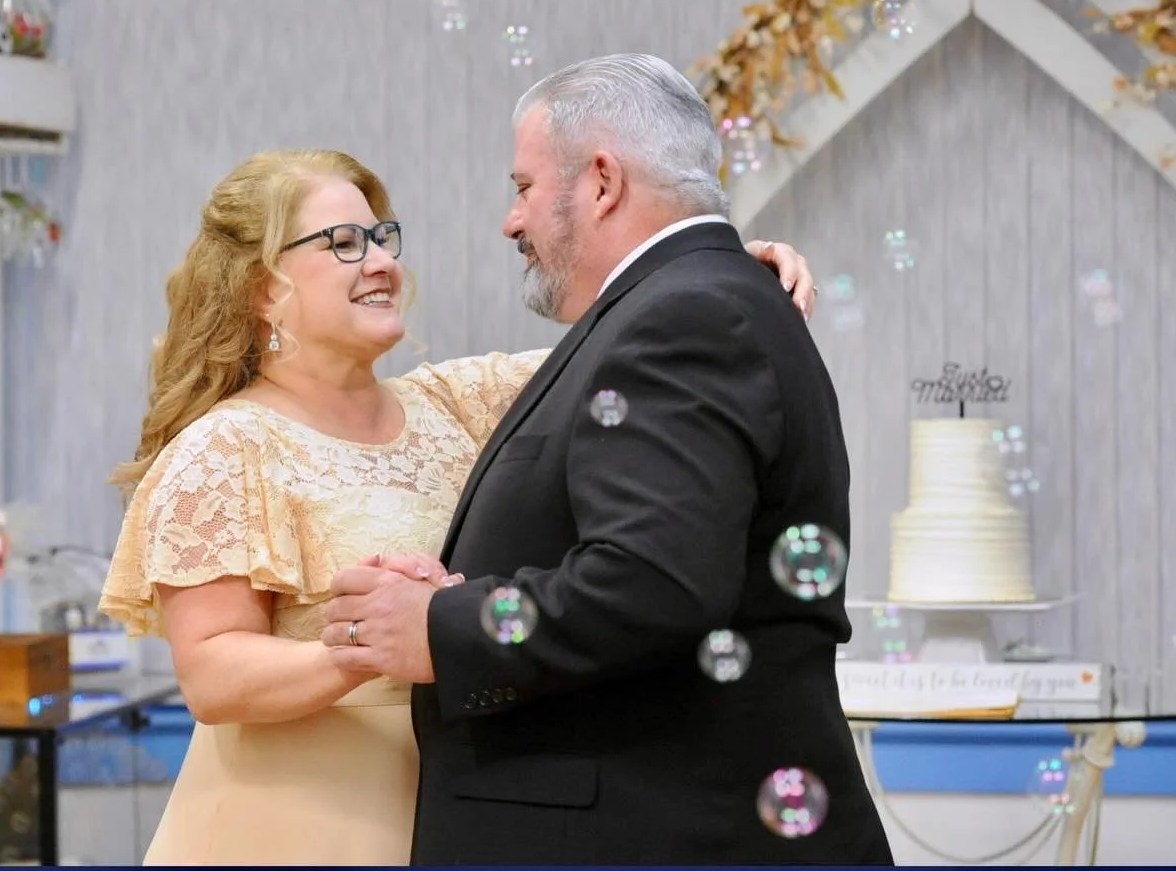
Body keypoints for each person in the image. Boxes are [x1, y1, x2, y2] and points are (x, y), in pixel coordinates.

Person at [97, 147, 819, 865]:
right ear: (261, 286)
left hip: (450, 816)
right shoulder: (224, 447)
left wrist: (713, 269)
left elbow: (636, 343)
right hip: (295, 825)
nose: (380, 261)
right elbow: (212, 676)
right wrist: (368, 647)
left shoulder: (456, 404)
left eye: (383, 238)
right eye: (343, 244)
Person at [324, 56, 893, 865]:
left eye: (522, 186)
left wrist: (442, 628)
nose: (509, 222)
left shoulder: (686, 315)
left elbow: (653, 581)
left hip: (658, 832)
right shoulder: (692, 302)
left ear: (600, 183)